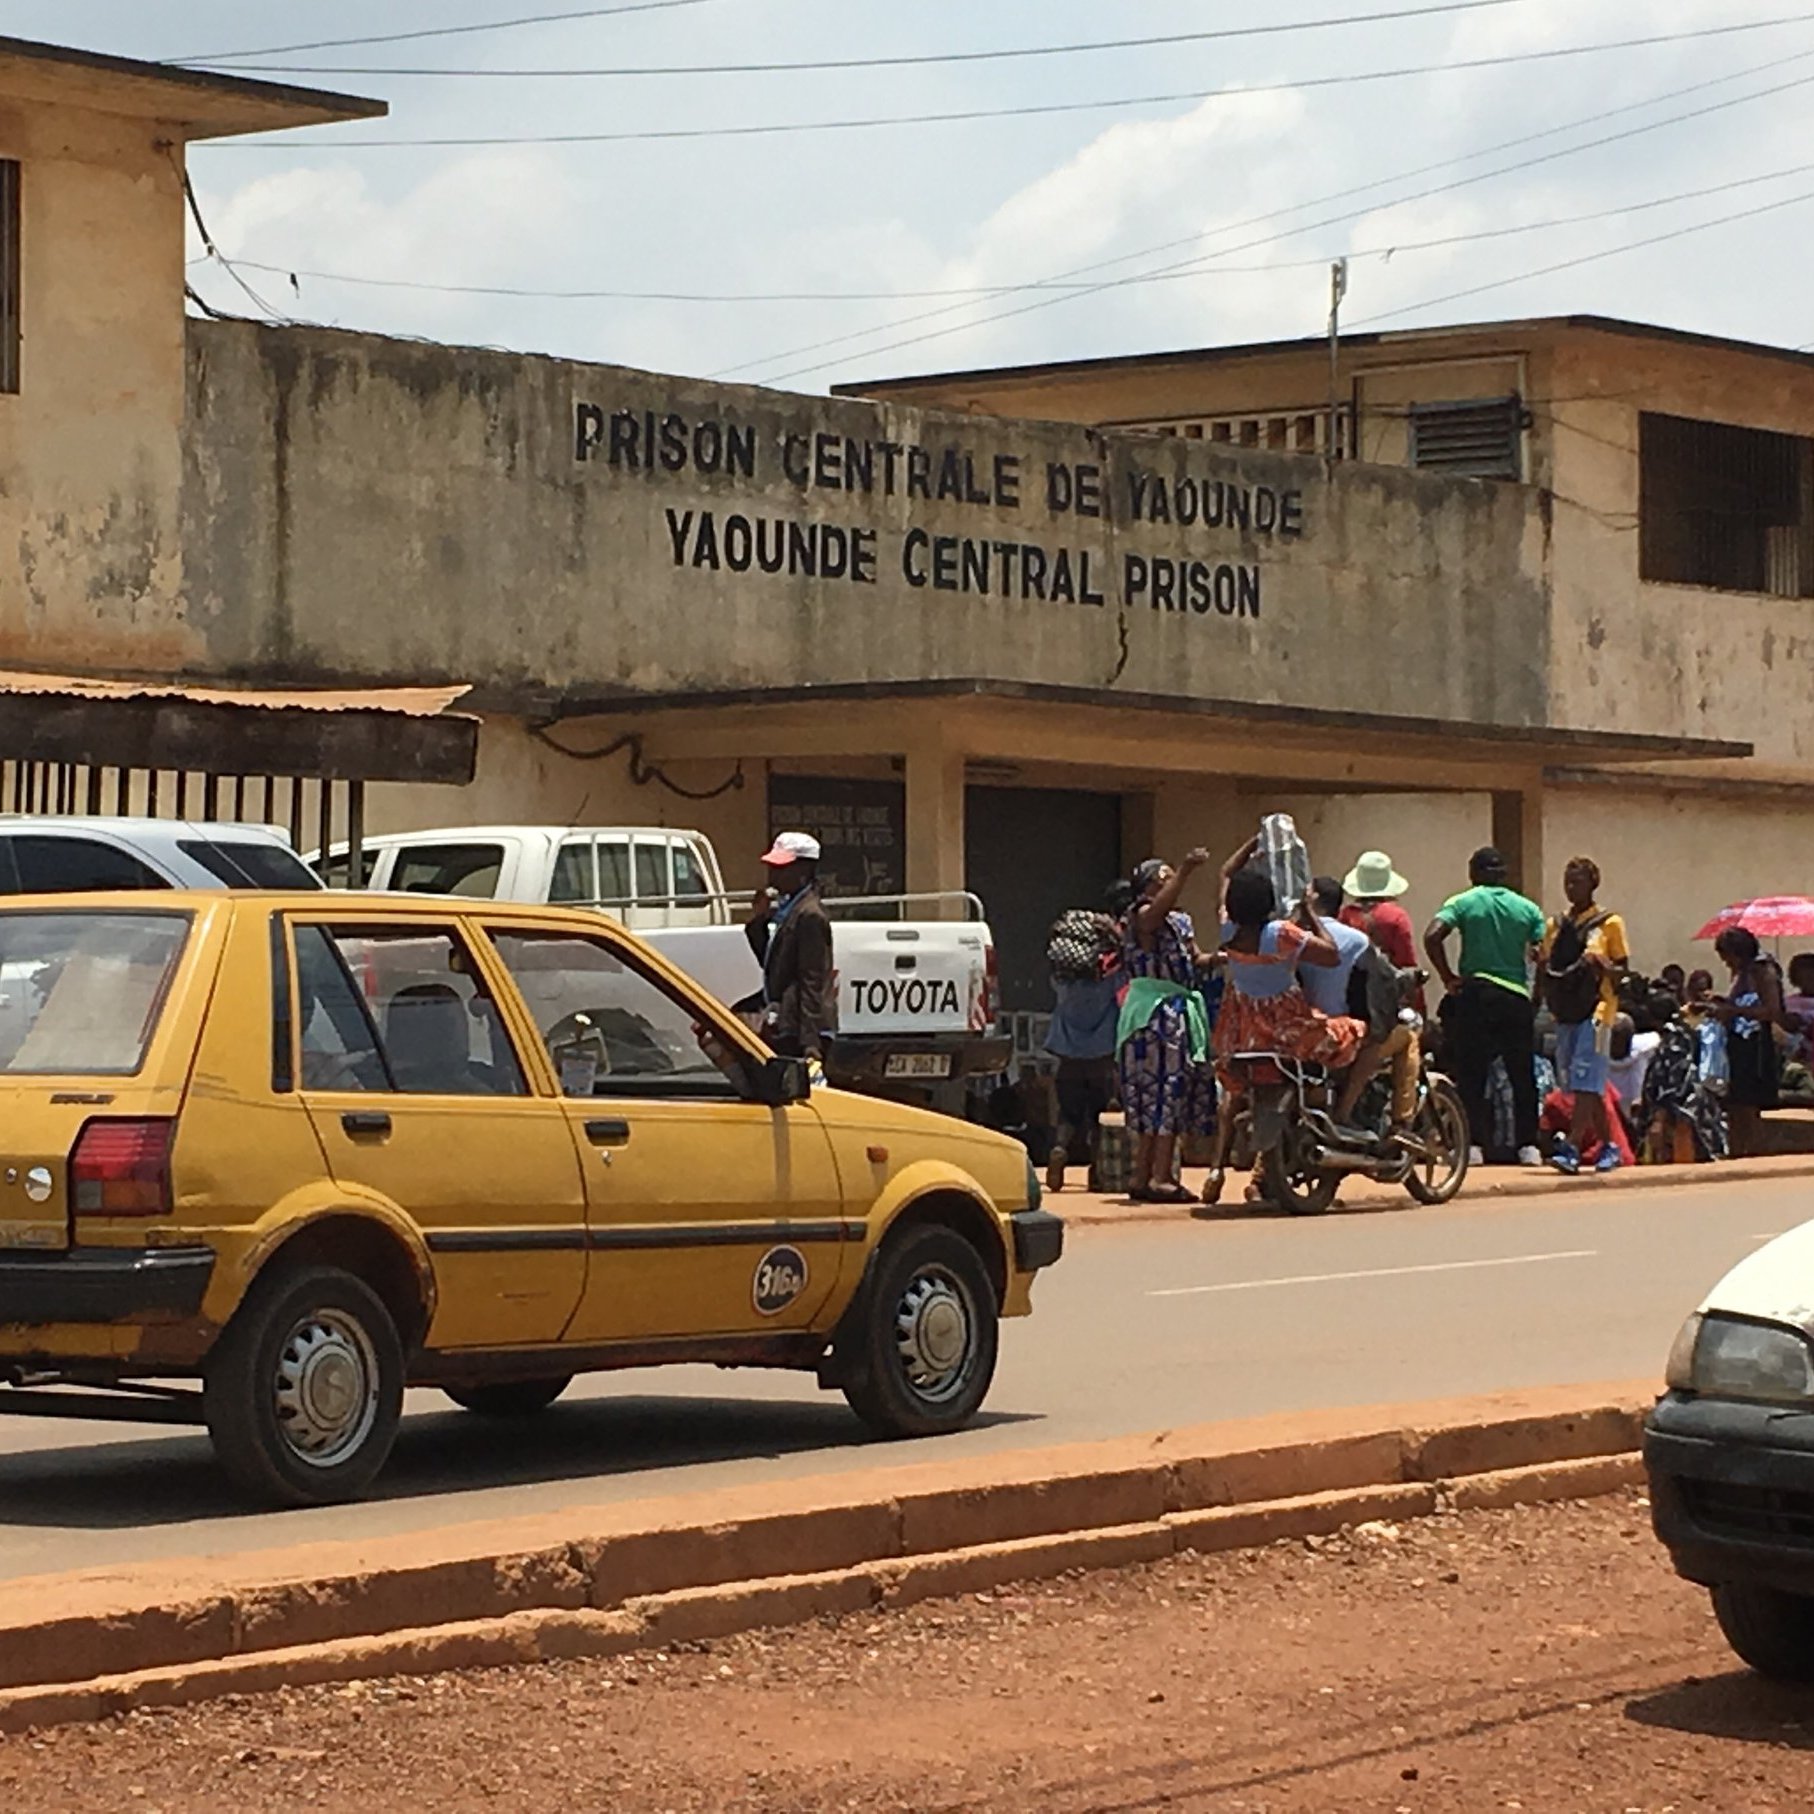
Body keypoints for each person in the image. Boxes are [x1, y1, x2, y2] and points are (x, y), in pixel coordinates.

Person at [1202, 838, 1365, 1206]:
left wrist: (1252, 842)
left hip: (1242, 1031)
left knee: (1233, 1095)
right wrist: (1309, 914)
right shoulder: (1280, 934)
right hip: (1288, 1030)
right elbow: (1331, 956)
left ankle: (1216, 1169)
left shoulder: (1227, 930)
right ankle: (1339, 1119)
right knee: (1351, 1032)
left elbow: (1225, 872)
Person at [1423, 846, 1548, 1168]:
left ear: (1473, 873)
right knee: (1522, 1074)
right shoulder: (1528, 909)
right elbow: (1542, 955)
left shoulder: (1463, 901)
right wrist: (1537, 993)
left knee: (1472, 1073)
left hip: (1475, 993)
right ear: (1503, 874)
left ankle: (1473, 1145)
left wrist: (1448, 976)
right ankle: (1528, 1146)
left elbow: (1432, 935)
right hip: (1515, 995)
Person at [1115, 851, 1217, 1204]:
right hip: (1154, 1014)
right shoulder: (1142, 915)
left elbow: (1195, 958)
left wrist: (1221, 958)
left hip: (1176, 1008)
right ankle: (1157, 1176)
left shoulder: (1181, 922)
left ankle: (1148, 1174)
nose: (1170, 880)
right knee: (1158, 1092)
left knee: (1170, 1094)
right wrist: (1186, 871)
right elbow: (1153, 917)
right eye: (1164, 877)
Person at [1540, 856, 1630, 1176]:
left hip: (1598, 1010)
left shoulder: (1609, 923)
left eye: (1577, 881)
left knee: (1585, 1080)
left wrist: (1604, 965)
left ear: (1593, 884)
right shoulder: (1555, 925)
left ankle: (1574, 1147)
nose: (1571, 887)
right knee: (1584, 1084)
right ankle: (1609, 1146)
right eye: (1567, 881)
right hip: (1566, 1011)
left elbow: (1623, 971)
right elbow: (1546, 966)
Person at [1043, 888, 1124, 1194]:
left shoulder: (1063, 983)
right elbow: (1124, 972)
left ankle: (1059, 1149)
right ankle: (1096, 1172)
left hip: (1068, 1058)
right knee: (1097, 1116)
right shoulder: (1108, 983)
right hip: (1101, 1058)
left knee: (1068, 1113)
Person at [743, 831, 835, 1063]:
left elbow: (812, 980)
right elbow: (768, 961)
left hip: (801, 1028)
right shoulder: (786, 911)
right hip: (785, 1020)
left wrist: (810, 1044)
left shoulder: (810, 915)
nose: (773, 875)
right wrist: (759, 920)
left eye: (782, 869)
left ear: (803, 872)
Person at [1706, 926, 1784, 1157]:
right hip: (1738, 1043)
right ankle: (1737, 1153)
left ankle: (1756, 1155)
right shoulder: (1743, 973)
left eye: (1727, 956)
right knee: (1735, 1104)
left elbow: (1771, 1010)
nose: (1726, 962)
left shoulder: (1762, 970)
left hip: (1755, 1045)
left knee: (1749, 1105)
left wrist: (1732, 1010)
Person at [1340, 849, 1425, 1014]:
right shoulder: (1396, 916)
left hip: (1351, 993)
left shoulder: (1345, 915)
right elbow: (1406, 962)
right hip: (1386, 996)